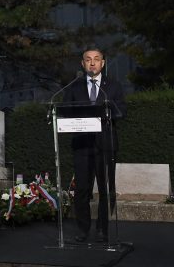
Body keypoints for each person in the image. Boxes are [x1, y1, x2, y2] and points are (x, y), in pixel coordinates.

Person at [62, 48, 126, 243]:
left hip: (106, 145)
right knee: (81, 189)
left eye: (96, 59)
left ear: (103, 63)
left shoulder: (113, 86)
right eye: (88, 60)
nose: (92, 63)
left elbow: (121, 111)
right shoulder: (73, 87)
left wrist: (105, 114)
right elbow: (65, 111)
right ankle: (83, 230)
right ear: (82, 64)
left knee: (106, 189)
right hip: (82, 145)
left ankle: (102, 229)